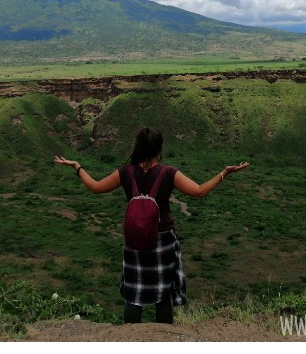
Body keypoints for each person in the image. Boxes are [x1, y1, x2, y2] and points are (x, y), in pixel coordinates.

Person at [53, 127, 249, 324]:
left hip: (134, 240)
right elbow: (199, 191)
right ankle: (164, 337)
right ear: (159, 148)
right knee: (163, 294)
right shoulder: (169, 173)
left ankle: (129, 337)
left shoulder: (125, 172)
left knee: (133, 294)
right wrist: (224, 173)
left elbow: (95, 187)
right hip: (162, 239)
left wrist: (77, 167)